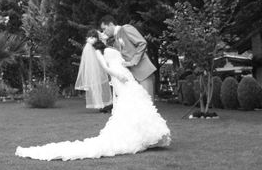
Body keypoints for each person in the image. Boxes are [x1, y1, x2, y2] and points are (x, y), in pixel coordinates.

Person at [15, 38, 170, 161]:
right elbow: (106, 68)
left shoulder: (110, 47)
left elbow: (121, 58)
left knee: (137, 101)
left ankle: (148, 135)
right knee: (130, 102)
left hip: (125, 75)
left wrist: (122, 50)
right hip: (120, 77)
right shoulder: (98, 52)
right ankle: (140, 135)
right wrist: (118, 76)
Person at [99, 15, 156, 99]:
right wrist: (104, 42)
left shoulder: (126, 28)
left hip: (144, 72)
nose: (104, 32)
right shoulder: (115, 41)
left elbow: (142, 43)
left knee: (148, 104)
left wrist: (133, 61)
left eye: (104, 29)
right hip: (132, 77)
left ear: (111, 24)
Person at [74, 30, 113, 111]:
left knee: (100, 85)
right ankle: (102, 104)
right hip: (96, 67)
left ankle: (102, 104)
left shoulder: (89, 46)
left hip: (95, 68)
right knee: (99, 85)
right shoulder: (92, 46)